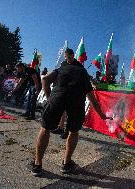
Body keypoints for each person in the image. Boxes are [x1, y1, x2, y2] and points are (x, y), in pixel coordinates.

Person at [29, 48, 111, 176]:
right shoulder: (84, 72)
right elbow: (92, 98)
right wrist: (102, 115)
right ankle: (66, 164)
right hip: (77, 100)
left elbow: (44, 80)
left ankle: (37, 164)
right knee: (73, 131)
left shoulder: (61, 68)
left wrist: (50, 98)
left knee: (45, 129)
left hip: (57, 96)